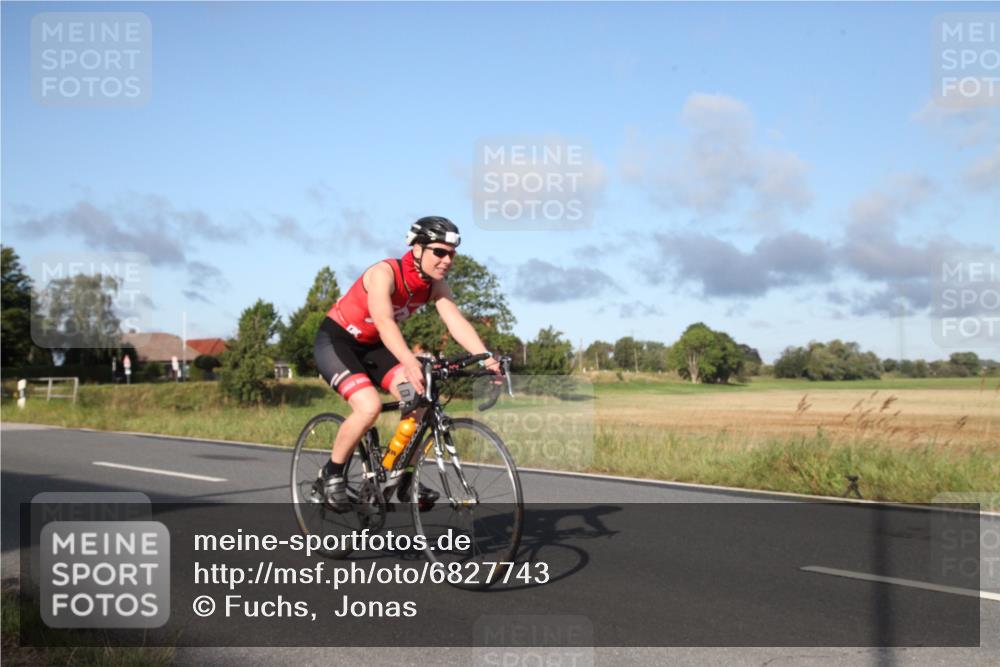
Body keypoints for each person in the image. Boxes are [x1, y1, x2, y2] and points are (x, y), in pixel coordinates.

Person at [313, 216, 502, 510]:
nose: (447, 260)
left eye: (452, 253)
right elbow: (384, 320)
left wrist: (486, 357)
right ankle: (331, 475)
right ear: (417, 249)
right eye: (439, 252)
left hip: (376, 347)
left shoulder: (435, 285)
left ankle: (400, 476)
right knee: (369, 406)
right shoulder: (384, 273)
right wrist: (409, 361)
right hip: (338, 342)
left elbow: (455, 321)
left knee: (420, 399)